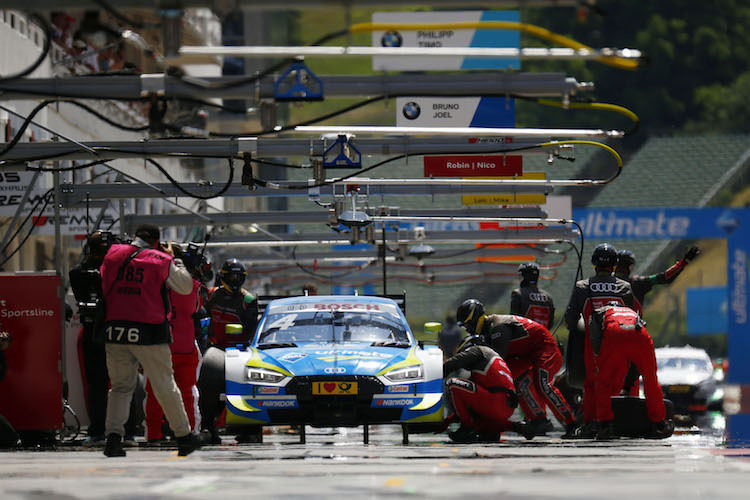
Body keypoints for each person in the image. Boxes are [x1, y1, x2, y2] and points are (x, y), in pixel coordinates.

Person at [99, 224, 201, 457]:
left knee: (120, 387)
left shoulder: (112, 254)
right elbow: (185, 287)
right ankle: (184, 437)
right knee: (164, 384)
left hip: (115, 329)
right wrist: (176, 260)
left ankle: (113, 439)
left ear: (135, 237)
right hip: (149, 331)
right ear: (156, 241)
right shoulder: (160, 259)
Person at [456, 299, 576, 437]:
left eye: (469, 324)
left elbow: (497, 357)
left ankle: (571, 424)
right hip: (525, 354)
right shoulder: (488, 330)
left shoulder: (498, 327)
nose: (468, 329)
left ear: (477, 318)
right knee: (511, 382)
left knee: (542, 385)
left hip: (544, 349)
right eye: (465, 326)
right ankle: (538, 420)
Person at [69, 231, 141, 448]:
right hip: (100, 332)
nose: (102, 256)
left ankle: (126, 431)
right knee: (103, 385)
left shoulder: (125, 270)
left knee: (123, 384)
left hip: (116, 331)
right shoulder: (83, 272)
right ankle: (102, 431)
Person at [563, 243, 636, 438]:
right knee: (617, 383)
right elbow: (633, 316)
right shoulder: (625, 287)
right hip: (621, 342)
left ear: (594, 263)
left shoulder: (582, 286)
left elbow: (569, 321)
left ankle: (592, 424)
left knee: (592, 384)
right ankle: (616, 421)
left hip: (593, 343)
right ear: (614, 264)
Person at [615, 246, 701, 395]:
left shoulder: (602, 284)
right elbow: (665, 277)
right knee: (646, 375)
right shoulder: (638, 282)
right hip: (633, 335)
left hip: (608, 337)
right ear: (631, 267)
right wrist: (684, 262)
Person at [144, 245, 205, 445]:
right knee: (187, 392)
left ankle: (153, 434)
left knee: (155, 392)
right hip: (186, 345)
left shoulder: (152, 284)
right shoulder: (193, 286)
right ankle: (191, 432)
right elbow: (197, 309)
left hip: (160, 345)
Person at [589, 302, 673, 440]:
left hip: (614, 333)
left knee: (603, 382)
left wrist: (602, 360)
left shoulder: (599, 312)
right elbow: (637, 364)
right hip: (639, 333)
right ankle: (659, 424)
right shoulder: (632, 312)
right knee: (650, 379)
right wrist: (629, 383)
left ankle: (604, 425)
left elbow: (595, 340)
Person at [199, 258, 258, 444]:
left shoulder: (248, 300)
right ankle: (208, 426)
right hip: (214, 349)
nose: (234, 279)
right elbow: (202, 317)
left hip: (239, 351)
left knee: (247, 388)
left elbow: (251, 329)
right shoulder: (211, 294)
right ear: (223, 276)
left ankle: (249, 429)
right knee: (208, 390)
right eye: (231, 276)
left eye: (238, 276)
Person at [442, 334, 534, 443]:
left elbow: (452, 364)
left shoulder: (478, 350)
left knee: (453, 383)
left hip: (494, 401)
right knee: (479, 423)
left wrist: (435, 374)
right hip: (506, 408)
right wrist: (448, 421)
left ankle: (467, 428)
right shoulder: (494, 359)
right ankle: (515, 426)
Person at [510, 262, 555, 330]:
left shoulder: (518, 294)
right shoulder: (548, 297)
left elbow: (513, 320)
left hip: (524, 336)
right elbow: (550, 322)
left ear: (523, 277)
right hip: (543, 336)